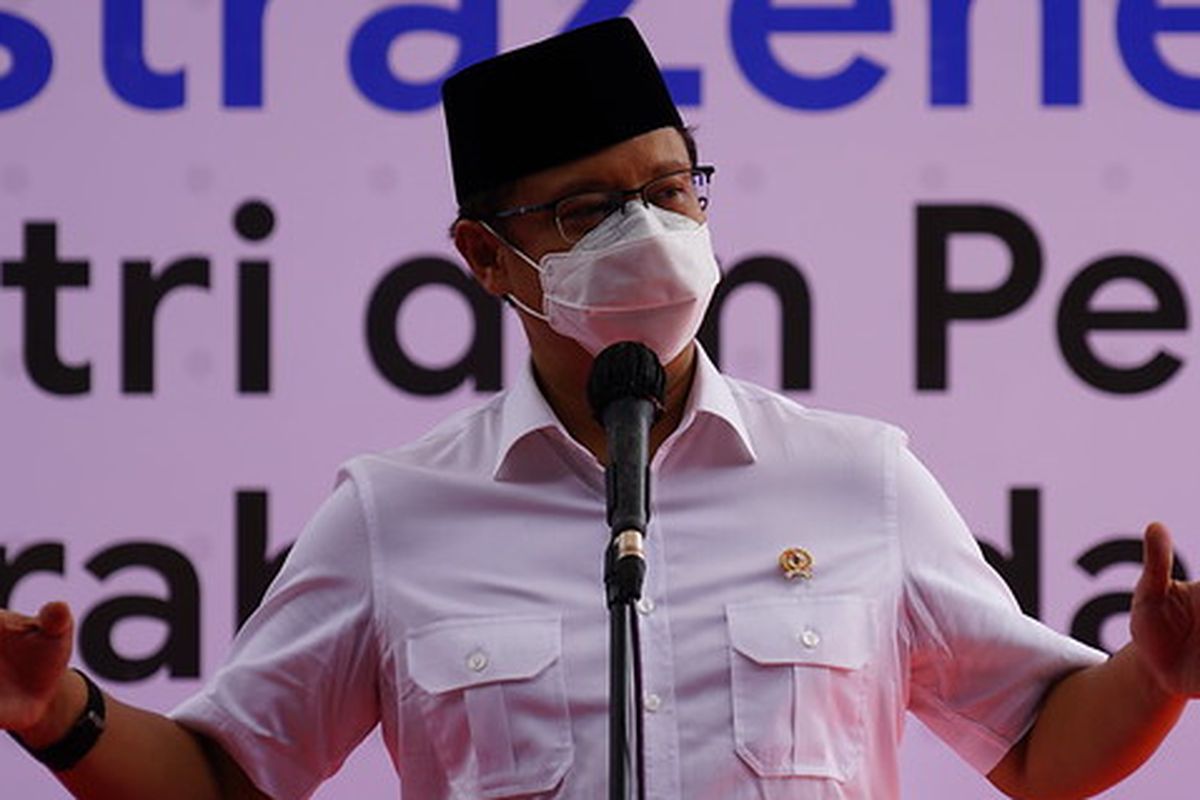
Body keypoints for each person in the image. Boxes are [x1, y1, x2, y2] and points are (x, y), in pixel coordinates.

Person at [2, 17, 1199, 800]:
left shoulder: (857, 476)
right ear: (485, 255)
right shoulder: (396, 512)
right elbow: (223, 778)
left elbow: (1041, 745)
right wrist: (59, 712)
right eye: (586, 211)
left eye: (671, 190)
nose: (650, 234)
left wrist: (1154, 674)